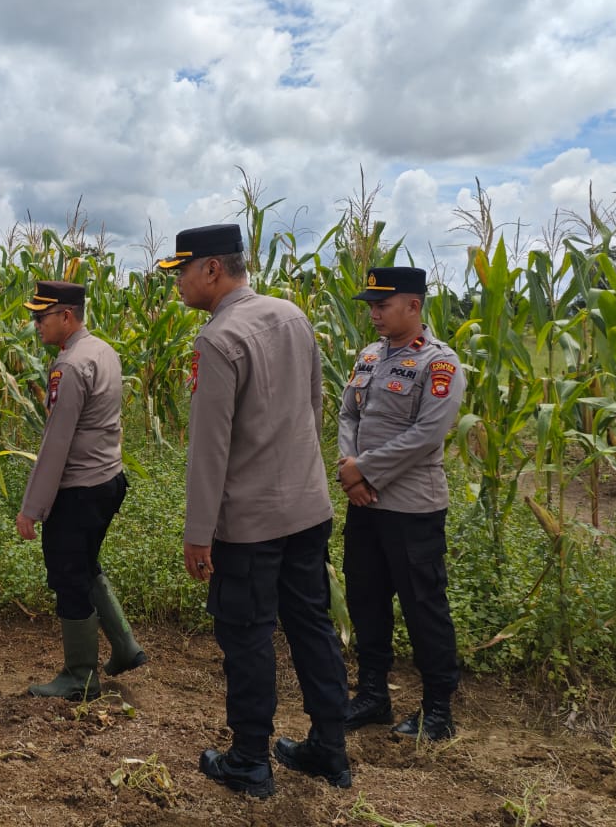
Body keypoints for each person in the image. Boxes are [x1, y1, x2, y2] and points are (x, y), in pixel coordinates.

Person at [160, 224, 351, 798]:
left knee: (246, 635)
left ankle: (249, 760)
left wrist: (199, 534)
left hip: (250, 522)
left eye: (182, 272)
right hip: (307, 506)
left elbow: (209, 447)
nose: (178, 285)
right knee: (311, 625)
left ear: (213, 269)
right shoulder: (292, 316)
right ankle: (329, 748)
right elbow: (314, 405)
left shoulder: (219, 339)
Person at [336, 265, 466, 741]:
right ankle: (372, 696)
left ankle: (437, 712)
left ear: (413, 306)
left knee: (423, 608)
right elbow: (347, 412)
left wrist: (365, 470)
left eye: (382, 305)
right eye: (370, 305)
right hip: (365, 505)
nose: (373, 314)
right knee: (366, 602)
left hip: (412, 509)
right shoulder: (369, 356)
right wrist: (350, 469)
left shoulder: (440, 364)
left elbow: (427, 434)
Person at [16, 280, 146, 701]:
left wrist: (31, 509)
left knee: (69, 575)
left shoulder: (70, 365)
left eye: (41, 316)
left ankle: (80, 676)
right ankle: (124, 646)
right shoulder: (103, 350)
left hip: (80, 488)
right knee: (85, 563)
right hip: (109, 479)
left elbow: (57, 443)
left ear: (66, 316)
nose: (36, 324)